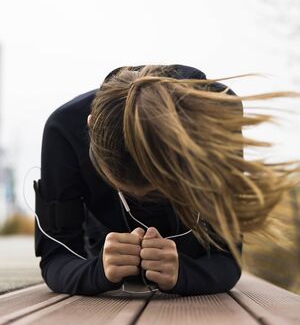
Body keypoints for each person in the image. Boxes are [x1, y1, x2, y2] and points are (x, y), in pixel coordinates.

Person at [34, 63, 300, 296]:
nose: (142, 203)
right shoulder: (65, 129)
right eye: (126, 191)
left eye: (159, 192)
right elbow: (55, 259)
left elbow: (228, 261)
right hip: (101, 257)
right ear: (89, 127)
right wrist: (97, 271)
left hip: (190, 261)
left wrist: (185, 273)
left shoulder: (216, 116)